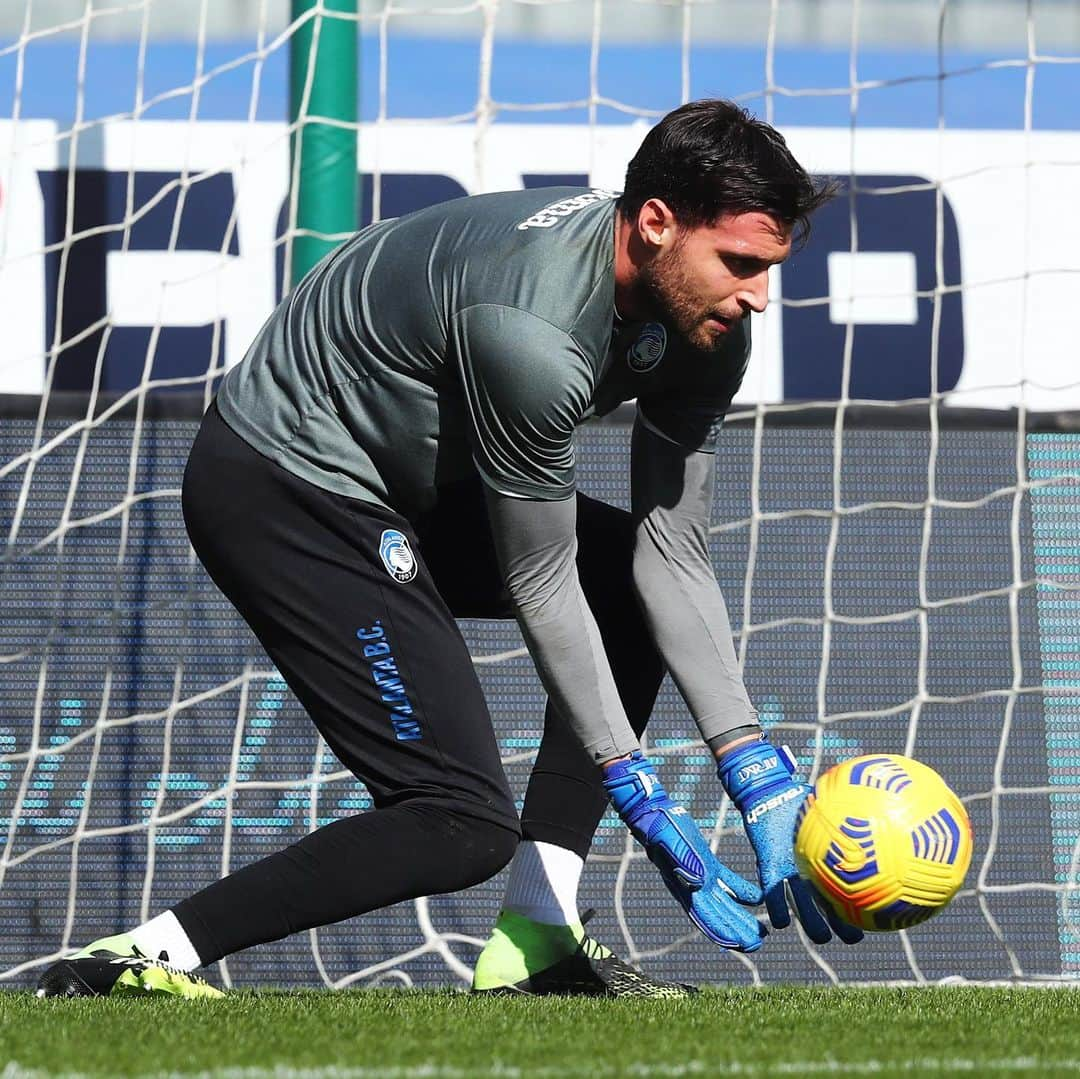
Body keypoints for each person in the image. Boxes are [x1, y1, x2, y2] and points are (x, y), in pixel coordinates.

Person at [36, 99, 861, 1002]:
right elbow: (541, 576)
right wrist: (637, 788)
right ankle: (142, 957)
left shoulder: (711, 329)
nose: (758, 297)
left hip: (411, 480)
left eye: (771, 267)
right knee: (460, 821)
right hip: (287, 482)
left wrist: (753, 767)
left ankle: (537, 941)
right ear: (656, 224)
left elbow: (672, 551)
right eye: (740, 264)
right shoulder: (535, 333)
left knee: (625, 582)